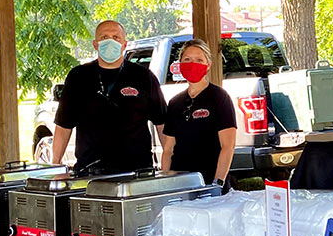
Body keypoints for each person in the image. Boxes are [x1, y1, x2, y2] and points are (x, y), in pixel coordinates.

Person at [51, 20, 167, 173]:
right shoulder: (78, 77)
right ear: (95, 44)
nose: (110, 41)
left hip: (137, 172)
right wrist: (55, 167)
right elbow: (63, 126)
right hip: (90, 172)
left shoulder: (144, 76)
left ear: (124, 44)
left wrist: (169, 166)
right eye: (104, 37)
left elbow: (162, 124)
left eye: (116, 37)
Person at [161, 39, 236, 189]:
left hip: (209, 183)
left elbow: (228, 146)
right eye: (187, 59)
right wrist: (164, 182)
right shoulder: (175, 103)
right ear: (180, 64)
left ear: (208, 65)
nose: (192, 64)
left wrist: (217, 183)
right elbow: (168, 149)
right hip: (180, 184)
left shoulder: (219, 97)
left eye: (199, 60)